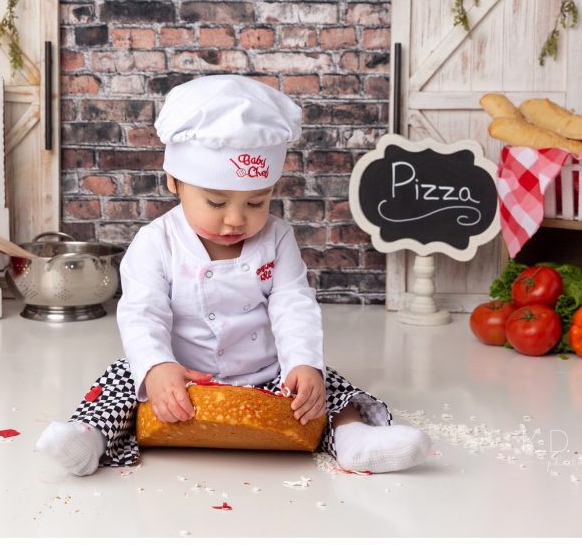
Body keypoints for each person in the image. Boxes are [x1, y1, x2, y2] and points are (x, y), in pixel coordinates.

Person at [36, 74, 431, 476]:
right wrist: (157, 368)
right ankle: (87, 437)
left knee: (325, 387)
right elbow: (143, 312)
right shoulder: (156, 242)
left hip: (266, 375)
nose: (236, 219)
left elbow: (293, 303)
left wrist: (302, 364)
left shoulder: (277, 239)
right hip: (181, 380)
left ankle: (353, 439)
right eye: (216, 201)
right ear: (174, 180)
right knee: (121, 378)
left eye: (256, 202)